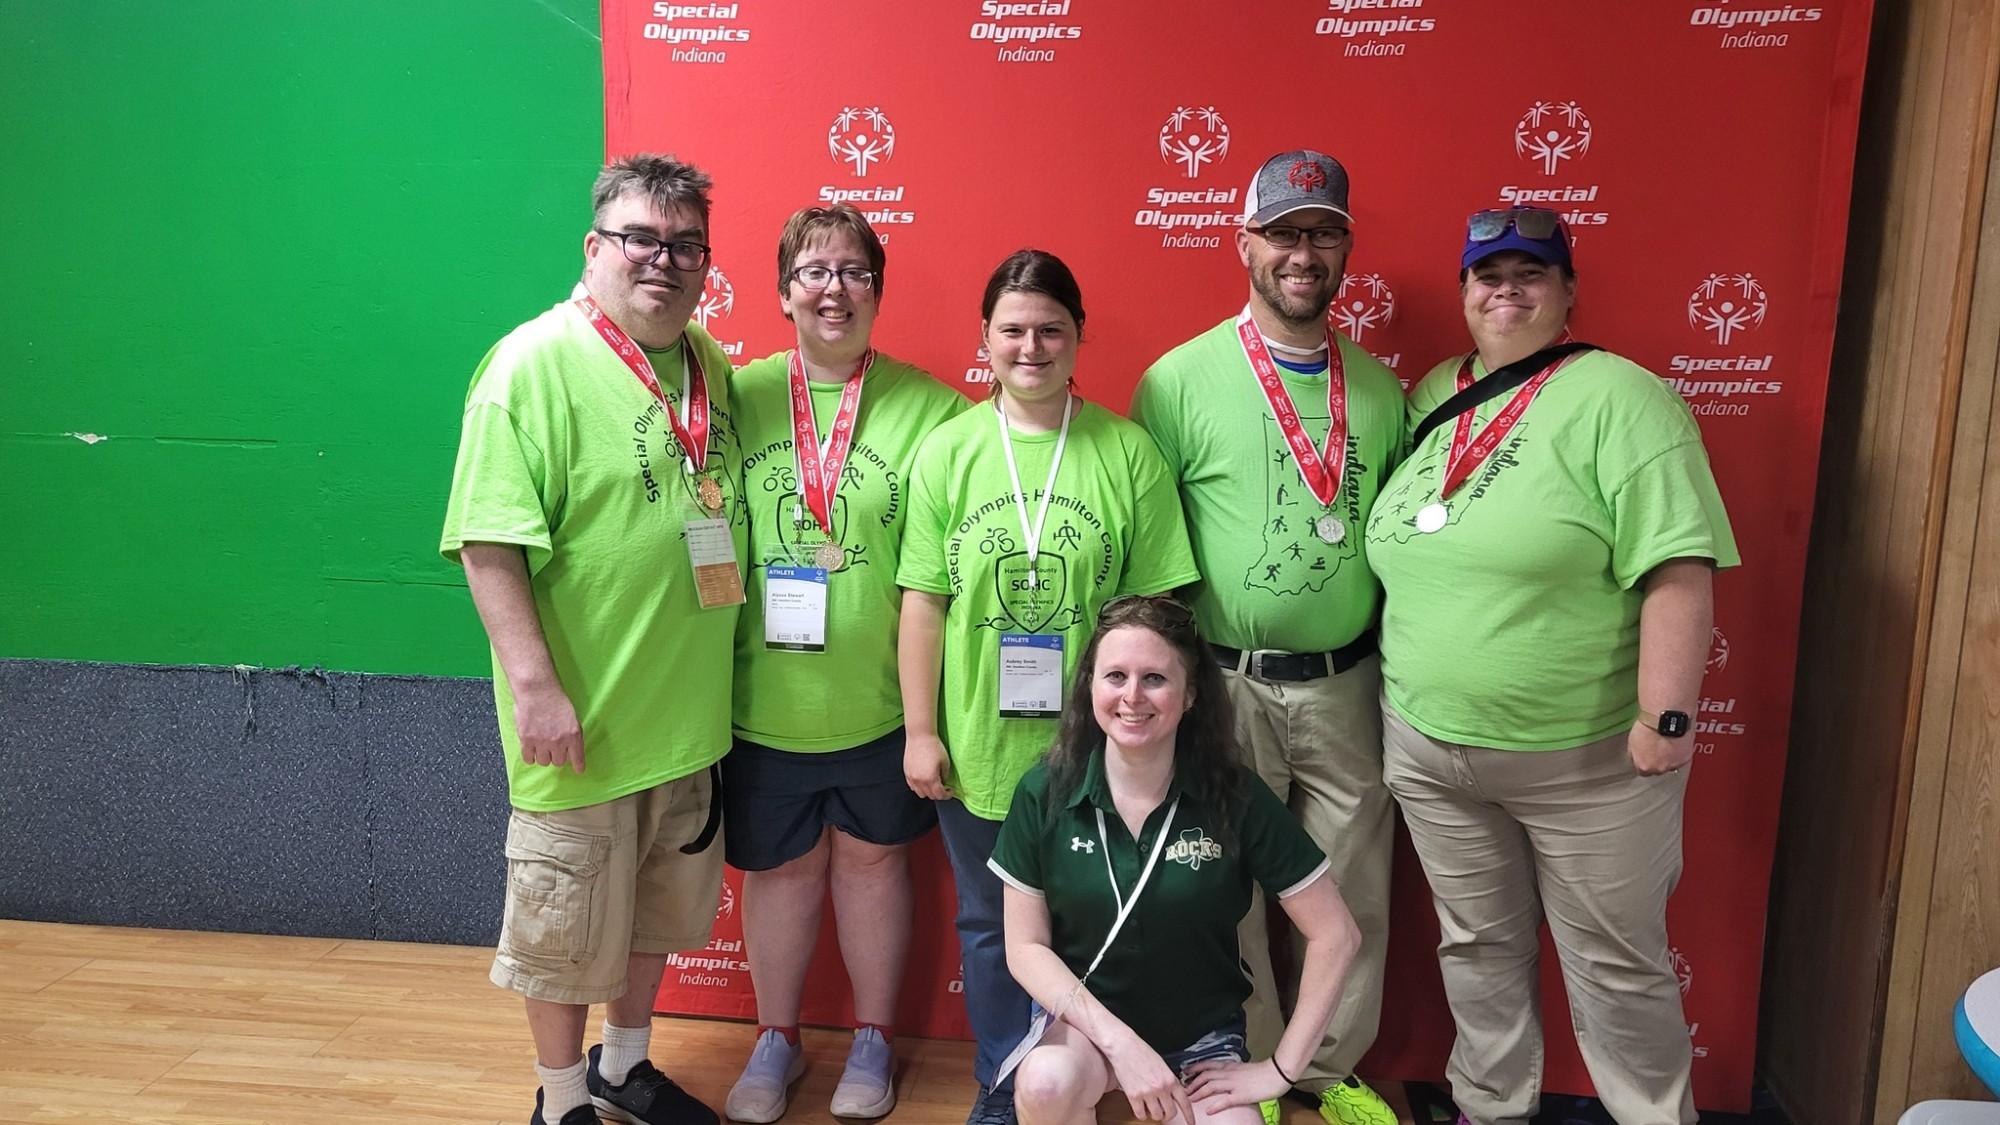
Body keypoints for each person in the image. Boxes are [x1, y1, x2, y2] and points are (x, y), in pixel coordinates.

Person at [1363, 207, 1739, 1125]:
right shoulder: (1433, 394)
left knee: (1616, 965)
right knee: (1475, 946)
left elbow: (1679, 569)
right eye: (1488, 275)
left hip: (1586, 761)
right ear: (1464, 293)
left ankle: (1653, 1115)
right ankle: (1492, 1107)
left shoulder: (1624, 399)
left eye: (1531, 273)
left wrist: (1667, 719)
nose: (1508, 290)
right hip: (1430, 750)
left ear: (1568, 291)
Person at [441, 153, 743, 1125]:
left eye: (685, 245)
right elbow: (488, 543)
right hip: (584, 725)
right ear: (594, 246)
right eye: (640, 238)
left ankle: (625, 1065)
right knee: (564, 929)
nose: (664, 260)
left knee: (655, 916)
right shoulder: (529, 367)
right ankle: (563, 1098)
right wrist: (536, 690)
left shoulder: (707, 365)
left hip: (684, 721)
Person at [1130, 149, 1404, 1125]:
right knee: (1226, 889)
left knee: (1352, 891)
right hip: (1224, 681)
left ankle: (1325, 1072)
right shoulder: (1176, 382)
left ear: (1345, 251)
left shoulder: (1381, 391)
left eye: (1322, 233)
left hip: (1346, 684)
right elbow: (1151, 552)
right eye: (1283, 232)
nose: (1302, 252)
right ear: (1242, 243)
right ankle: (1244, 1065)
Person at [897, 250, 1201, 1125]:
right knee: (992, 926)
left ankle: (1093, 1076)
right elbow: (922, 603)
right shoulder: (948, 451)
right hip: (981, 746)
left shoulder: (1127, 452)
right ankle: (1005, 1082)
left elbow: (1161, 612)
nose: (1030, 347)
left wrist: (1152, 729)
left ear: (1078, 336)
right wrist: (921, 730)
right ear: (985, 338)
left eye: (1050, 330)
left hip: (1104, 746)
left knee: (1101, 917)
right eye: (1013, 330)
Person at [720, 204, 967, 1122]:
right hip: (762, 700)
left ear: (878, 292)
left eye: (855, 271)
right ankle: (776, 1038)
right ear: (784, 291)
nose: (835, 289)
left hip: (880, 704)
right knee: (780, 872)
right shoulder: (736, 397)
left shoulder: (931, 407)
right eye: (815, 272)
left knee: (871, 865)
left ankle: (872, 1039)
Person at [989, 595, 1363, 1125]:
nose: (1132, 697)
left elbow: (1337, 934)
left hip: (1201, 1040)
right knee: (1047, 1081)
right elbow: (1025, 948)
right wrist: (1120, 1044)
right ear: (1090, 686)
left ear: (1190, 694)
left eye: (1155, 679)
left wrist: (1280, 1071)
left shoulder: (1234, 795)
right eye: (1115, 676)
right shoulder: (1045, 791)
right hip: (1088, 1030)